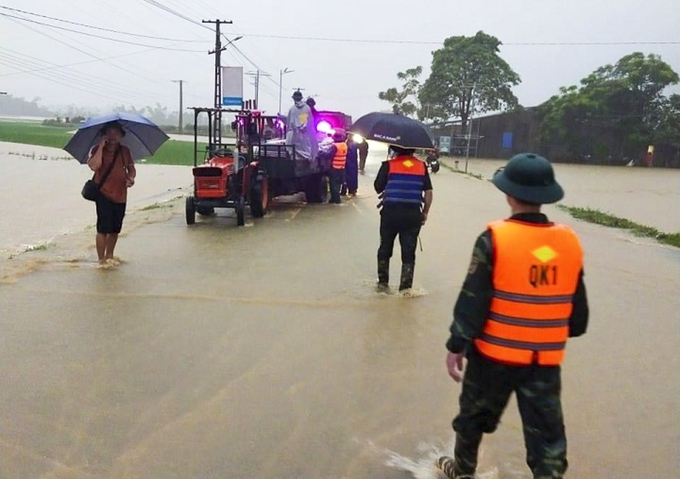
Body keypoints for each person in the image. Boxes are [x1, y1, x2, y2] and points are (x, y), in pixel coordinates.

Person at [437, 153, 589, 479]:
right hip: (544, 363)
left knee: (472, 419)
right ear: (546, 196)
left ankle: (462, 471)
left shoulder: (494, 239)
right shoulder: (569, 243)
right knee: (547, 439)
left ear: (508, 194)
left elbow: (472, 300)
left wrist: (456, 344)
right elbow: (578, 321)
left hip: (493, 358)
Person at [373, 146, 433, 291]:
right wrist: (425, 212)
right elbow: (429, 193)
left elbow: (377, 187)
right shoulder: (421, 166)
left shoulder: (388, 165)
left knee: (385, 247)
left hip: (390, 214)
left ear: (395, 149)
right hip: (412, 215)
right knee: (408, 251)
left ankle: (382, 284)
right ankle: (405, 289)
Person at [86, 122, 136, 266]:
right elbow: (94, 166)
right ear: (104, 135)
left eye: (116, 133)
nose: (113, 136)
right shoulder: (96, 149)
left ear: (121, 135)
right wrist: (101, 147)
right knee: (103, 229)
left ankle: (110, 256)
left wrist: (131, 178)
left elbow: (131, 170)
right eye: (109, 133)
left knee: (115, 229)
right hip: (103, 194)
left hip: (121, 195)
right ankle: (101, 260)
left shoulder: (125, 151)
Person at [286, 90, 318, 162]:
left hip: (293, 135)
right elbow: (307, 123)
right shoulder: (306, 108)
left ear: (294, 99)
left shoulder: (292, 109)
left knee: (291, 148)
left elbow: (289, 123)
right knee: (305, 147)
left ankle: (294, 159)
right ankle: (306, 158)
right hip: (304, 135)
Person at [328, 130, 348, 204]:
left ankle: (335, 199)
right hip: (342, 167)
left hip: (335, 168)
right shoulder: (344, 145)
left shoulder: (335, 146)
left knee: (333, 184)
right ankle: (337, 198)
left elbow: (329, 155)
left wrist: (321, 153)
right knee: (338, 184)